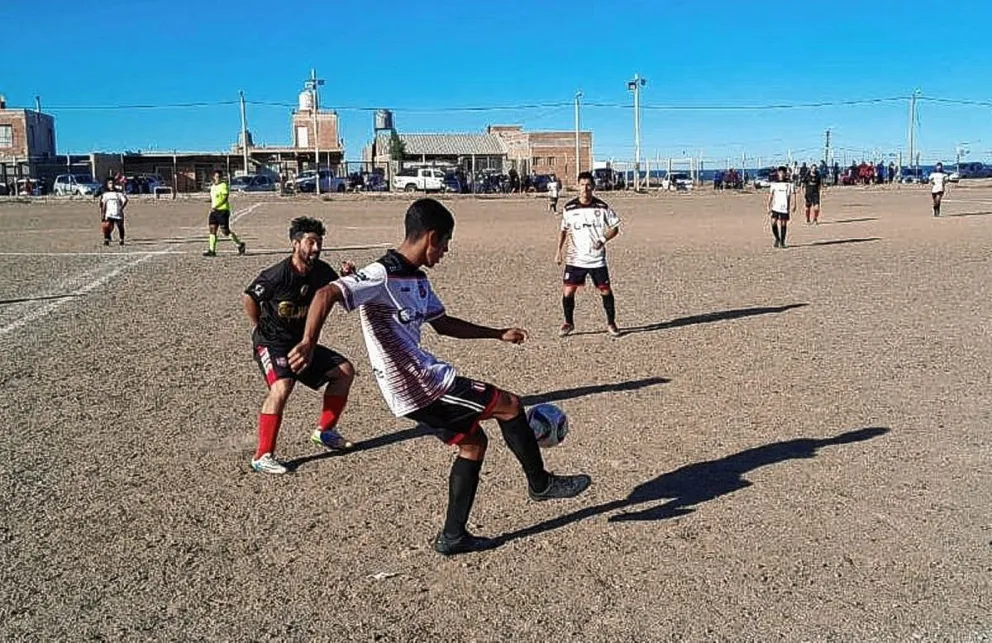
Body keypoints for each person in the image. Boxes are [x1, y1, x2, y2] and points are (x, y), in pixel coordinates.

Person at [288, 198, 592, 555]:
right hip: (421, 385)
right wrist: (309, 342)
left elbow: (444, 325)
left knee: (473, 444)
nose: (446, 250)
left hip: (419, 386)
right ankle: (540, 483)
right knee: (509, 405)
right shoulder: (381, 274)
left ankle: (453, 536)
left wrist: (497, 333)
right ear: (431, 237)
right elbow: (327, 292)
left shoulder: (416, 280)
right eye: (446, 242)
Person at [243, 216, 356, 474]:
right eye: (311, 242)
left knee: (344, 372)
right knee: (282, 386)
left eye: (319, 243)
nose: (316, 248)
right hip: (271, 343)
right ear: (295, 244)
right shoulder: (276, 275)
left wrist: (347, 276)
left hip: (301, 345)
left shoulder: (321, 272)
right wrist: (258, 327)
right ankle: (262, 455)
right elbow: (249, 297)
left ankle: (325, 432)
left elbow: (337, 288)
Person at [556, 171, 622, 338]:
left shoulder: (601, 207)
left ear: (593, 186)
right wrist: (558, 251)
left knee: (605, 291)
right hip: (575, 259)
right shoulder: (569, 208)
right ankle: (568, 322)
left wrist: (602, 239)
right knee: (568, 292)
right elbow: (563, 230)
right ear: (577, 186)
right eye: (582, 184)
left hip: (596, 259)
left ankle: (611, 322)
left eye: (588, 185)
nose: (585, 188)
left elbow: (614, 228)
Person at [203, 170, 246, 257]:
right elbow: (214, 197)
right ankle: (212, 250)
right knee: (212, 230)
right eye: (216, 176)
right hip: (214, 211)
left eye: (219, 177)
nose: (217, 178)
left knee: (225, 231)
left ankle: (240, 245)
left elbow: (225, 198)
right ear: (213, 177)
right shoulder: (213, 187)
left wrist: (217, 206)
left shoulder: (224, 185)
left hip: (223, 211)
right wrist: (210, 201)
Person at [768, 165, 796, 248]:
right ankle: (777, 238)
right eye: (780, 173)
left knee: (783, 224)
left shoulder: (789, 183)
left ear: (785, 174)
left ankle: (783, 242)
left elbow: (793, 194)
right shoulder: (774, 183)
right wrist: (768, 205)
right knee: (773, 223)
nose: (781, 174)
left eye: (783, 173)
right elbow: (771, 194)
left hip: (784, 207)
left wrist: (794, 204)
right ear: (778, 173)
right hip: (775, 206)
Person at [99, 177, 128, 246]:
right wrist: (103, 213)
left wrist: (121, 208)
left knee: (120, 226)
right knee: (107, 226)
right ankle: (106, 239)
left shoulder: (118, 193)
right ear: (107, 184)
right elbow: (103, 204)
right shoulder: (105, 194)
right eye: (109, 183)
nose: (111, 185)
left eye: (112, 183)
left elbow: (125, 200)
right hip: (109, 213)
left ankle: (121, 239)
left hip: (117, 213)